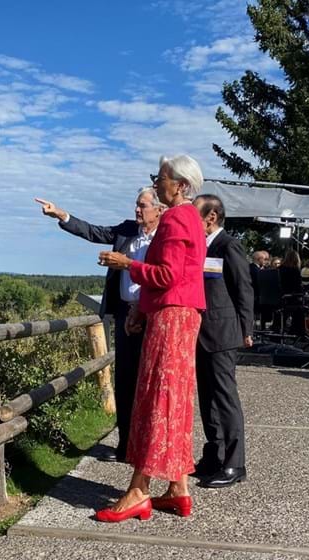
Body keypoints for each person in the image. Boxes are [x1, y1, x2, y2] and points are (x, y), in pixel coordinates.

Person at [95, 154, 207, 522]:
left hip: (172, 318)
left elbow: (167, 275)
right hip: (177, 314)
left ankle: (138, 490)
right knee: (173, 397)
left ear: (181, 186)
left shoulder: (176, 218)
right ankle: (178, 487)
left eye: (161, 178)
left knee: (156, 398)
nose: (156, 184)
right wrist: (139, 311)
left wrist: (127, 265)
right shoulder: (190, 218)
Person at [35, 188, 164, 463]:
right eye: (136, 205)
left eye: (142, 205)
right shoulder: (127, 230)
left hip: (153, 318)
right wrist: (61, 214)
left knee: (152, 383)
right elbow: (94, 232)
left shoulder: (166, 237)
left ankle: (150, 446)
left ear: (158, 209)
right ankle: (126, 445)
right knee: (125, 380)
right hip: (124, 315)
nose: (137, 210)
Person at [192, 194, 253, 488]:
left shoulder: (228, 245)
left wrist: (246, 328)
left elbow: (243, 287)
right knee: (207, 399)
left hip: (223, 332)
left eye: (195, 215)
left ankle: (234, 463)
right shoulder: (199, 247)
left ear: (211, 217)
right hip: (200, 334)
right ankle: (213, 457)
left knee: (225, 399)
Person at [279, 249, 304, 335]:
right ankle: (297, 332)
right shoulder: (294, 270)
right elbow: (298, 287)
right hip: (289, 299)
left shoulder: (278, 269)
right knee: (300, 308)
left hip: (276, 299)